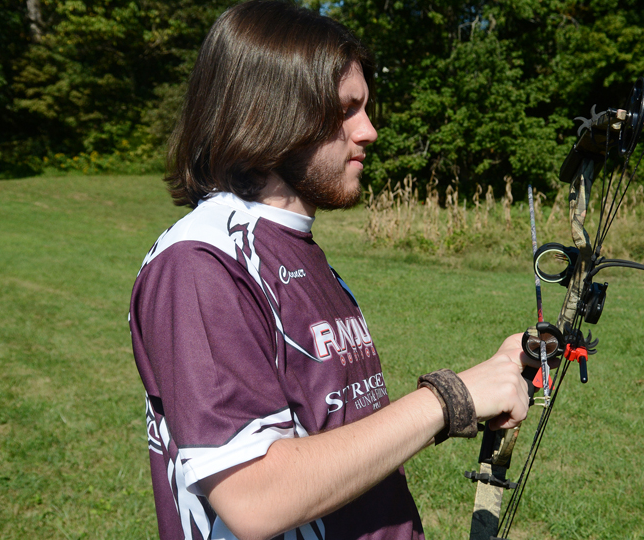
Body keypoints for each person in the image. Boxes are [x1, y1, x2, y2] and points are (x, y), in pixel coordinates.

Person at [129, 2, 533, 539]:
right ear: (267, 112)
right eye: (346, 109)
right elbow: (254, 496)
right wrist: (448, 399)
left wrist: (488, 379)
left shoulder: (300, 252)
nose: (368, 131)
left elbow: (338, 433)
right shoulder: (201, 264)